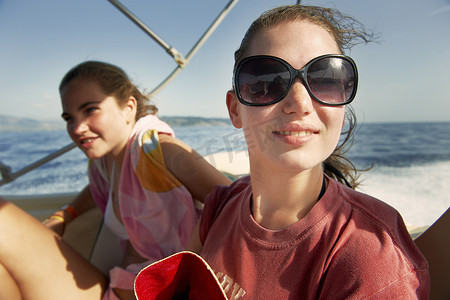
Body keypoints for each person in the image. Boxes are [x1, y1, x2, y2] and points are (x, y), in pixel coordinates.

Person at [181, 5, 429, 299]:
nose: (299, 102)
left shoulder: (371, 258)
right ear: (235, 109)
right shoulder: (221, 205)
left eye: (325, 80)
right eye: (266, 82)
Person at [0, 61, 231, 300]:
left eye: (90, 109)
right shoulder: (103, 165)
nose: (77, 128)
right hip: (119, 288)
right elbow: (97, 189)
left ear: (129, 107)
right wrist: (65, 214)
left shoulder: (158, 151)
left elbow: (236, 202)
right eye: (69, 117)